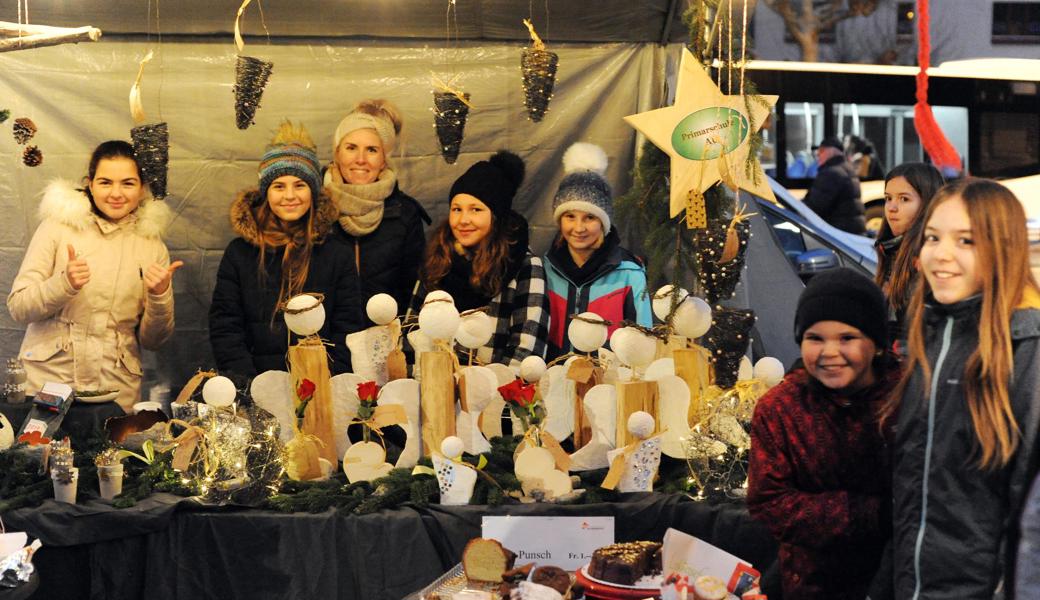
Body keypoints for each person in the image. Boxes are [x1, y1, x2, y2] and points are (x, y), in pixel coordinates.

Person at [882, 178, 1040, 598]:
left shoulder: (1028, 351)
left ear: (1001, 248)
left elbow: (1029, 516)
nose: (941, 254)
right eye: (932, 237)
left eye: (966, 240)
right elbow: (913, 494)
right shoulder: (930, 338)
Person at [747, 268, 900, 599]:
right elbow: (768, 502)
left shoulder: (906, 398)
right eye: (815, 338)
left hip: (898, 577)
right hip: (811, 583)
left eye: (847, 338)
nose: (830, 352)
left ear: (876, 344)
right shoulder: (780, 408)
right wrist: (869, 514)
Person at [7, 140, 180, 411]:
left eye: (128, 183)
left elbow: (154, 342)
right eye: (105, 182)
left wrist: (159, 296)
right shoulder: (57, 227)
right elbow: (19, 308)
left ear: (142, 188)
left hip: (114, 388)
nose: (116, 193)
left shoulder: (152, 245)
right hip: (48, 380)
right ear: (89, 183)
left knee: (108, 453)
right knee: (40, 454)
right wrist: (63, 283)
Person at [209, 121, 362, 379]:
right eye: (279, 186)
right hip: (256, 386)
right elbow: (226, 326)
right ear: (266, 192)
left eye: (299, 185)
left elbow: (348, 326)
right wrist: (249, 384)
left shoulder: (337, 254)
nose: (290, 195)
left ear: (313, 192)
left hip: (321, 386)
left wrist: (325, 382)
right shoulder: (240, 254)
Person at [417, 150, 549, 368]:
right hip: (437, 387)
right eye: (456, 209)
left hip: (498, 392)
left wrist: (495, 393)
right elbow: (415, 330)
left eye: (476, 210)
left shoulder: (523, 265)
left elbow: (527, 348)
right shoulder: (436, 258)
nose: (463, 220)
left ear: (495, 216)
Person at [542, 142, 651, 359]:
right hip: (551, 380)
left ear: (603, 222)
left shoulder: (630, 273)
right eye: (569, 216)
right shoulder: (544, 269)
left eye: (590, 217)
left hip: (609, 384)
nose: (579, 228)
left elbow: (643, 341)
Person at [326, 99, 429, 317]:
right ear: (337, 154)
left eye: (372, 150)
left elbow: (414, 290)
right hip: (327, 340)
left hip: (387, 340)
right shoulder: (315, 208)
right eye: (351, 148)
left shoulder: (405, 213)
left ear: (383, 160)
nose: (360, 159)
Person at [874, 162, 945, 348]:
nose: (892, 208)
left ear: (928, 203)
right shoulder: (892, 250)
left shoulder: (930, 258)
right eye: (888, 198)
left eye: (904, 199)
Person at [803, 136, 866, 234]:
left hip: (837, 234)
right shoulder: (847, 168)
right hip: (850, 231)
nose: (818, 155)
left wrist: (793, 207)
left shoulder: (831, 173)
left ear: (831, 152)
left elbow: (815, 206)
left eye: (821, 151)